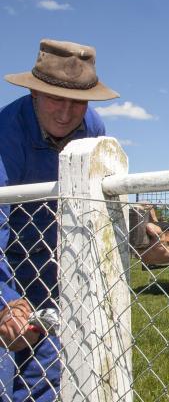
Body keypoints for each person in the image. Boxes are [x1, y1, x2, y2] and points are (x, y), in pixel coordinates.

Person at [0, 39, 120, 400]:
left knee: (47, 378)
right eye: (55, 99)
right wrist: (5, 302)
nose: (67, 114)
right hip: (5, 262)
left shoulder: (92, 129)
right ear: (35, 94)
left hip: (56, 268)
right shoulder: (6, 135)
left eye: (78, 102)